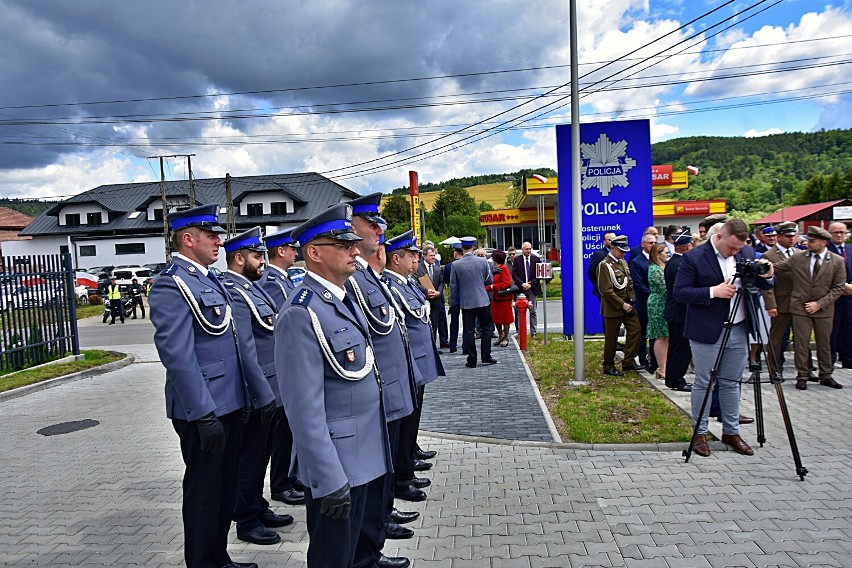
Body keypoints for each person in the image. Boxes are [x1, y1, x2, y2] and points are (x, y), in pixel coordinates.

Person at [149, 203, 273, 568]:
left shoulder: (209, 279)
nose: (219, 240)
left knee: (223, 488)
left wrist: (257, 395)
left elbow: (238, 343)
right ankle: (204, 561)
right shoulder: (171, 285)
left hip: (230, 403)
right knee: (205, 491)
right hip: (204, 407)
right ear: (188, 239)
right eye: (211, 234)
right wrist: (203, 413)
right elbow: (178, 356)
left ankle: (219, 557)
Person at [273, 203, 390, 568]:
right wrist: (328, 479)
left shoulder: (342, 297)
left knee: (360, 553)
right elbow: (304, 411)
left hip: (366, 454)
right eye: (344, 245)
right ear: (314, 253)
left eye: (354, 242)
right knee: (333, 558)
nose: (356, 250)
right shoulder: (301, 313)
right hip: (338, 466)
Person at [345, 193, 418, 568]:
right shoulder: (354, 278)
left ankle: (374, 540)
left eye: (379, 225)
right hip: (374, 392)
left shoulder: (368, 277)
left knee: (382, 472)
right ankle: (370, 546)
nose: (378, 232)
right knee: (372, 478)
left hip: (387, 386)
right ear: (352, 227)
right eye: (370, 224)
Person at [673, 218, 774, 458]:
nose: (735, 252)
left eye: (739, 248)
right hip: (707, 330)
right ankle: (700, 433)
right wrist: (712, 292)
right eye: (731, 248)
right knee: (705, 382)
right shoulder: (694, 257)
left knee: (732, 382)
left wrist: (768, 275)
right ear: (718, 237)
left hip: (739, 328)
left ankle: (731, 431)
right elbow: (679, 292)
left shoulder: (746, 252)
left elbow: (765, 283)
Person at [220, 228, 290, 546]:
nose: (263, 261)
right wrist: (263, 395)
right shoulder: (235, 291)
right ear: (238, 259)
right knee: (250, 459)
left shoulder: (253, 287)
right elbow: (245, 348)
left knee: (261, 456)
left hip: (271, 386)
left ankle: (257, 506)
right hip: (258, 390)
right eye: (257, 255)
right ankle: (246, 521)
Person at [383, 230, 444, 505]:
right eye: (412, 255)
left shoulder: (407, 283)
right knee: (405, 422)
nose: (417, 259)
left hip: (418, 358)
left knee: (412, 420)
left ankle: (408, 461)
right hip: (410, 361)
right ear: (396, 258)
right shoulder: (392, 286)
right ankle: (402, 475)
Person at [259, 228, 305, 507]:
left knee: (289, 430)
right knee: (281, 433)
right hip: (277, 370)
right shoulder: (272, 283)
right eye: (291, 248)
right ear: (280, 251)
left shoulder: (283, 280)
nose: (295, 252)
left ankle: (290, 477)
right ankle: (280, 483)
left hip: (288, 368)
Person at [773, 225, 846, 390]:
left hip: (824, 309)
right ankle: (803, 375)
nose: (808, 244)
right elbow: (779, 267)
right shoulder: (799, 258)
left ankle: (826, 374)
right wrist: (763, 266)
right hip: (800, 307)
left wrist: (819, 304)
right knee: (801, 343)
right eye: (808, 241)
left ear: (823, 242)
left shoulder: (837, 261)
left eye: (812, 241)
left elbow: (838, 287)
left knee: (824, 343)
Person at [762, 222, 804, 374]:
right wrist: (771, 304)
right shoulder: (769, 255)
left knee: (801, 338)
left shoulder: (800, 253)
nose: (791, 239)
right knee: (777, 339)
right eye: (787, 236)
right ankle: (774, 368)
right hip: (781, 302)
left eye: (793, 236)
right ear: (779, 237)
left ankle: (805, 369)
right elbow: (766, 282)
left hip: (799, 302)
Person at [596, 235, 641, 375]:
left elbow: (629, 283)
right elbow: (606, 290)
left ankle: (628, 361)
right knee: (611, 338)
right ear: (613, 248)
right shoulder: (604, 265)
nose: (624, 253)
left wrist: (632, 300)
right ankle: (608, 366)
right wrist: (622, 304)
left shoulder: (623, 263)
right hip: (613, 307)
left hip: (627, 305)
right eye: (621, 251)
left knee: (636, 330)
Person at [451, 236, 497, 368]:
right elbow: (489, 280)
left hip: (466, 302)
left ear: (462, 248)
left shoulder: (456, 265)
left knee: (468, 331)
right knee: (487, 328)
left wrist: (454, 303)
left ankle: (472, 359)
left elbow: (454, 287)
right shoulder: (483, 262)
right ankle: (486, 356)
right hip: (482, 300)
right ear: (473, 247)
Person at [663, 230, 693, 392]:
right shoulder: (680, 264)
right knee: (681, 347)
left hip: (675, 311)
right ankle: (676, 379)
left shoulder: (672, 262)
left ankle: (672, 377)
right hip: (680, 312)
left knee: (676, 346)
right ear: (688, 246)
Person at [630, 232, 658, 371]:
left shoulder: (658, 259)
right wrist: (654, 294)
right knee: (642, 332)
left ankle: (655, 359)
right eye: (650, 243)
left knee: (656, 332)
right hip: (644, 302)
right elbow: (638, 284)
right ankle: (642, 358)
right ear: (643, 244)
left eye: (655, 242)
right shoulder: (637, 261)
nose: (653, 245)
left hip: (657, 304)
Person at [827, 222, 852, 369]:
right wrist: (842, 287)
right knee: (832, 330)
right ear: (829, 234)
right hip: (832, 297)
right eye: (835, 232)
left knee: (848, 328)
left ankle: (848, 357)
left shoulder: (849, 250)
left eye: (842, 232)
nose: (839, 235)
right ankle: (829, 360)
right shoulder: (826, 251)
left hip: (849, 297)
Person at [415, 244, 448, 348]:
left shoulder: (437, 269)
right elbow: (415, 282)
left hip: (436, 302)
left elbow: (442, 282)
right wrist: (427, 291)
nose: (433, 257)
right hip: (424, 300)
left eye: (434, 255)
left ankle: (433, 347)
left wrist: (438, 292)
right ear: (424, 256)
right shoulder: (418, 268)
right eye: (431, 255)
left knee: (434, 325)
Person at [646, 243, 670, 380]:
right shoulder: (655, 269)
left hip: (664, 302)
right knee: (661, 335)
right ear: (657, 254)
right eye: (665, 252)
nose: (668, 254)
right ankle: (661, 368)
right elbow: (664, 287)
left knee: (666, 335)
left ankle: (664, 367)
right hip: (658, 303)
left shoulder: (662, 267)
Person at [511, 242, 541, 336]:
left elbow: (538, 274)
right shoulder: (517, 260)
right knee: (520, 311)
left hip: (532, 288)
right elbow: (514, 274)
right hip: (521, 289)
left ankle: (533, 332)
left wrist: (531, 283)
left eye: (530, 249)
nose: (528, 251)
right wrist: (522, 284)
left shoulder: (536, 259)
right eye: (526, 249)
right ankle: (521, 331)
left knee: (533, 311)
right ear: (522, 249)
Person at [487, 249, 514, 347]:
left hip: (504, 298)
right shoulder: (496, 269)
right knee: (496, 318)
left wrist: (494, 286)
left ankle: (506, 337)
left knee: (505, 319)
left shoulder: (504, 268)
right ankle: (500, 335)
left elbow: (507, 283)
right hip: (496, 298)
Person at [442, 244, 464, 352]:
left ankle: (453, 344)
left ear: (455, 253)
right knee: (467, 322)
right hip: (466, 296)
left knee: (454, 322)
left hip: (454, 296)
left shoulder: (448, 266)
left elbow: (446, 280)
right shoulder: (466, 264)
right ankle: (466, 345)